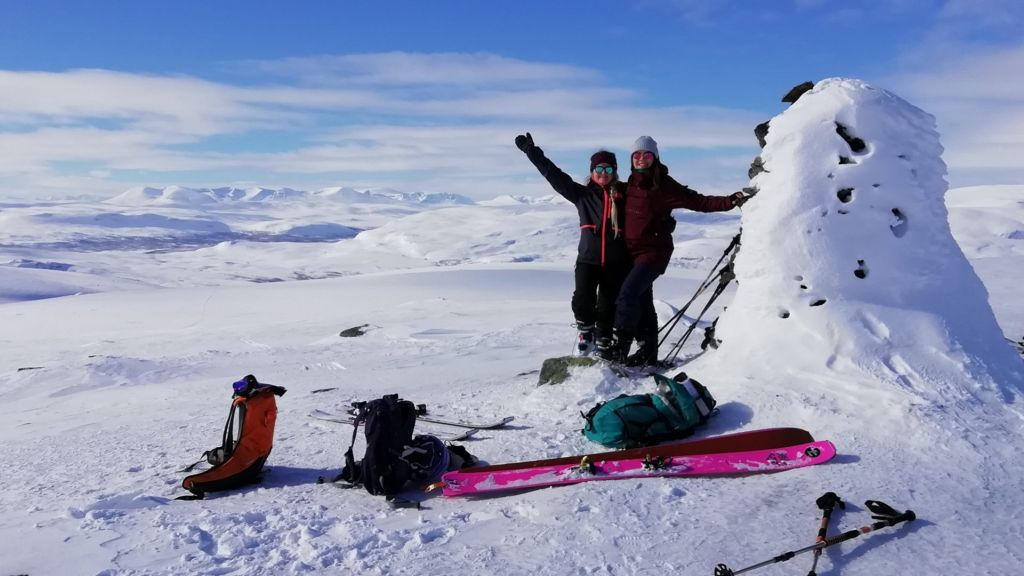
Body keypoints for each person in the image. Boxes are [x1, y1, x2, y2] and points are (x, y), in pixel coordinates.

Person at [604, 135, 751, 366]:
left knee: (628, 294)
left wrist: (730, 200)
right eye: (637, 155)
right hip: (631, 254)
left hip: (653, 253)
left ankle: (619, 349)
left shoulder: (664, 185)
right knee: (642, 301)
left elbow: (699, 202)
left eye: (647, 154)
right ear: (632, 160)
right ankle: (648, 353)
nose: (642, 158)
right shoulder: (628, 185)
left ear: (655, 158)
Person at [515, 132, 631, 356]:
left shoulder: (625, 194)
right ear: (592, 172)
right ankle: (586, 331)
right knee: (582, 298)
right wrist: (532, 151)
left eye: (608, 169)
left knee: (608, 305)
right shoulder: (582, 195)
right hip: (588, 259)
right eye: (599, 169)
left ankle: (604, 340)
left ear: (615, 171)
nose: (603, 174)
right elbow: (554, 175)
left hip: (616, 262)